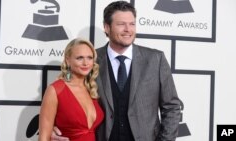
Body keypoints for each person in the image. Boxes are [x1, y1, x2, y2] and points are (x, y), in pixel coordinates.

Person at [51, 1, 182, 141]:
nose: (128, 29)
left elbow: (172, 107)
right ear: (107, 27)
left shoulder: (156, 59)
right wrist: (51, 128)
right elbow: (67, 97)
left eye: (132, 24)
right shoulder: (90, 60)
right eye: (121, 24)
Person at [39, 38, 104, 141]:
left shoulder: (91, 89)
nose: (86, 63)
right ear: (68, 60)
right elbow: (43, 138)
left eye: (89, 58)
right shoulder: (56, 90)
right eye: (79, 58)